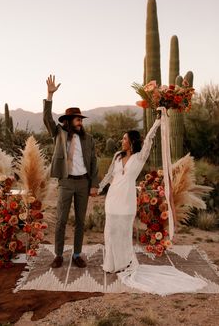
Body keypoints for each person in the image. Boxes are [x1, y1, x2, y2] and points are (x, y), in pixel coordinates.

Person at [98, 116, 207, 295]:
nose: (121, 140)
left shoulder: (140, 157)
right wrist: (100, 188)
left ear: (132, 141)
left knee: (124, 232)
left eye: (125, 138)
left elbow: (148, 140)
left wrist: (156, 122)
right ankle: (110, 264)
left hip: (126, 198)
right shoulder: (117, 156)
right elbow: (110, 174)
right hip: (112, 197)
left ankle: (123, 263)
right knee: (110, 230)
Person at [43, 75, 99, 268]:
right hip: (66, 182)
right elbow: (47, 119)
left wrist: (94, 184)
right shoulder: (59, 133)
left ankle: (76, 254)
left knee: (81, 222)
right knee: (61, 220)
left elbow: (93, 161)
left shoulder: (88, 138)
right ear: (68, 121)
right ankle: (58, 254)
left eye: (81, 119)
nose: (80, 122)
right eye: (77, 119)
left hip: (83, 183)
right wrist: (49, 96)